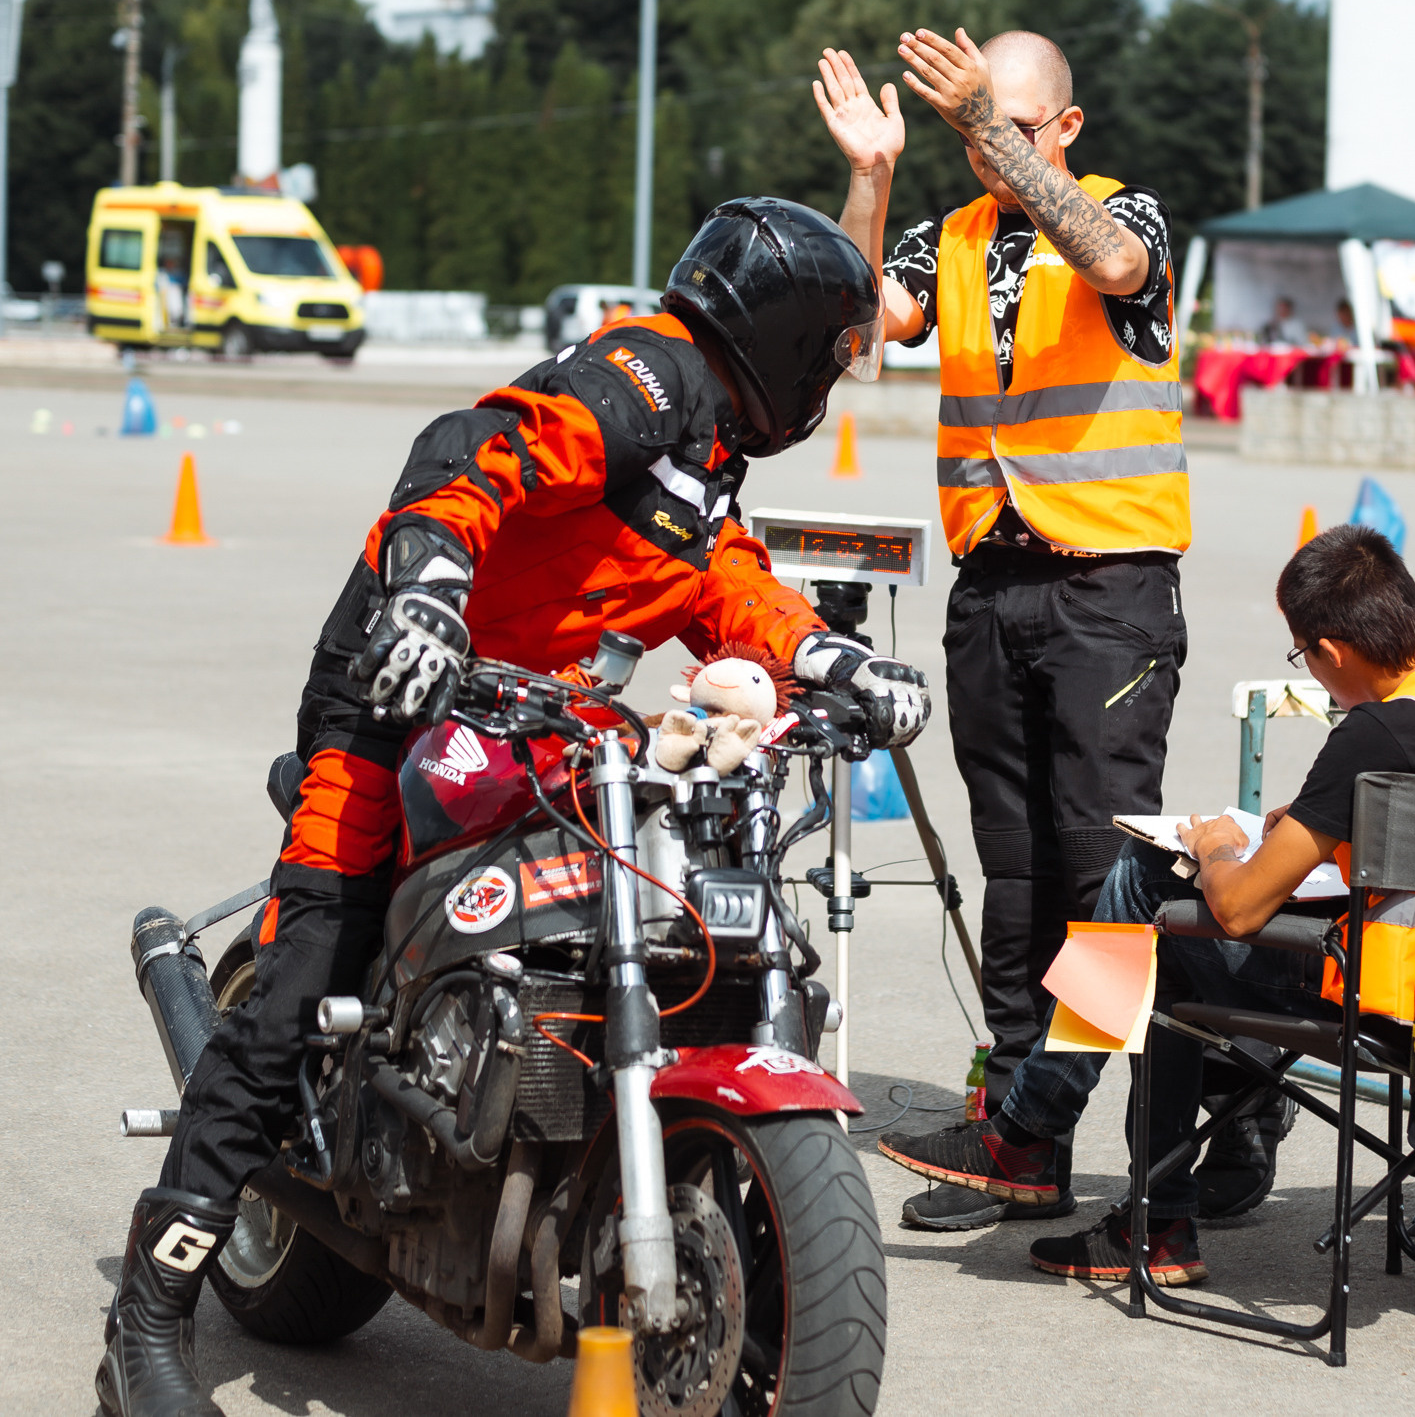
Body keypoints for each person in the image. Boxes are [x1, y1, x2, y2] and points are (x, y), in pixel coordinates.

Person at [96, 198, 932, 1417]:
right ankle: (145, 1328)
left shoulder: (707, 451)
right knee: (293, 988)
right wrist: (429, 586)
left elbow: (719, 580)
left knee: (656, 903)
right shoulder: (647, 375)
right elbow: (475, 449)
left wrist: (828, 658)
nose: (830, 386)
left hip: (543, 721)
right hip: (401, 690)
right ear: (790, 344)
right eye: (832, 359)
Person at [875, 524, 1415, 1285]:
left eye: (1303, 655)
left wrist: (1219, 845)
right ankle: (1117, 1194)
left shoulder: (1379, 734)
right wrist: (1318, 821)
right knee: (1156, 938)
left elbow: (1244, 910)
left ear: (1332, 651)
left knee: (1142, 888)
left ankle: (1046, 1143)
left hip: (1397, 1000)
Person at [811, 30, 1203, 1230]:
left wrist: (989, 127)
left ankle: (1162, 1170)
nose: (988, 148)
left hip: (1107, 593)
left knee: (1108, 878)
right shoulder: (952, 237)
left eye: (1015, 125)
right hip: (993, 586)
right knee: (1018, 877)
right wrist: (871, 177)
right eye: (972, 127)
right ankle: (1021, 1142)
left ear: (1064, 130)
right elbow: (856, 338)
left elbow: (1116, 264)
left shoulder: (1122, 210)